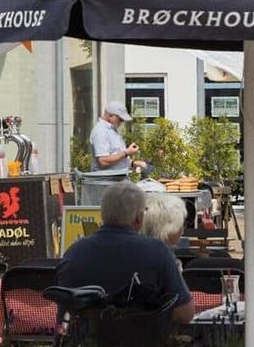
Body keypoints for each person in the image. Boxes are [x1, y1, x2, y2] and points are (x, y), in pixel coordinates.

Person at [54, 183, 194, 324]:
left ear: (102, 214)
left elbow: (64, 310)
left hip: (80, 342)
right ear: (139, 218)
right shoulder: (157, 251)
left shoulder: (74, 251)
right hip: (140, 343)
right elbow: (185, 314)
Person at [83, 101, 143, 205]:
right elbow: (103, 161)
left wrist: (132, 163)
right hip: (106, 184)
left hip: (116, 182)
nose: (122, 122)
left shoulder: (112, 130)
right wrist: (126, 153)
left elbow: (115, 154)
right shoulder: (100, 132)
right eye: (120, 119)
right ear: (110, 116)